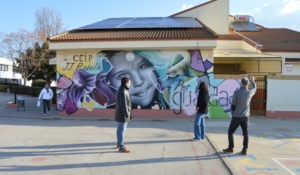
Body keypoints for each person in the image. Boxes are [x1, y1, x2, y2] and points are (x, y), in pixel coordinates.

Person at [223, 76, 257, 155]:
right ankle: (245, 150)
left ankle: (231, 148)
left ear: (241, 83)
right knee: (246, 133)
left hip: (237, 116)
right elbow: (255, 89)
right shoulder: (249, 92)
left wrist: (232, 113)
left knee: (230, 131)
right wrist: (253, 80)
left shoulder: (236, 92)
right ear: (247, 84)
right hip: (245, 117)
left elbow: (233, 105)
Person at [115, 77, 132, 153]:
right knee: (122, 130)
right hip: (122, 113)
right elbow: (123, 104)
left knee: (119, 129)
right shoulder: (123, 91)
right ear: (126, 83)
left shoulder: (121, 89)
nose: (130, 84)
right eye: (129, 83)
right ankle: (121, 146)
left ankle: (119, 144)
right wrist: (127, 114)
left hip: (119, 112)